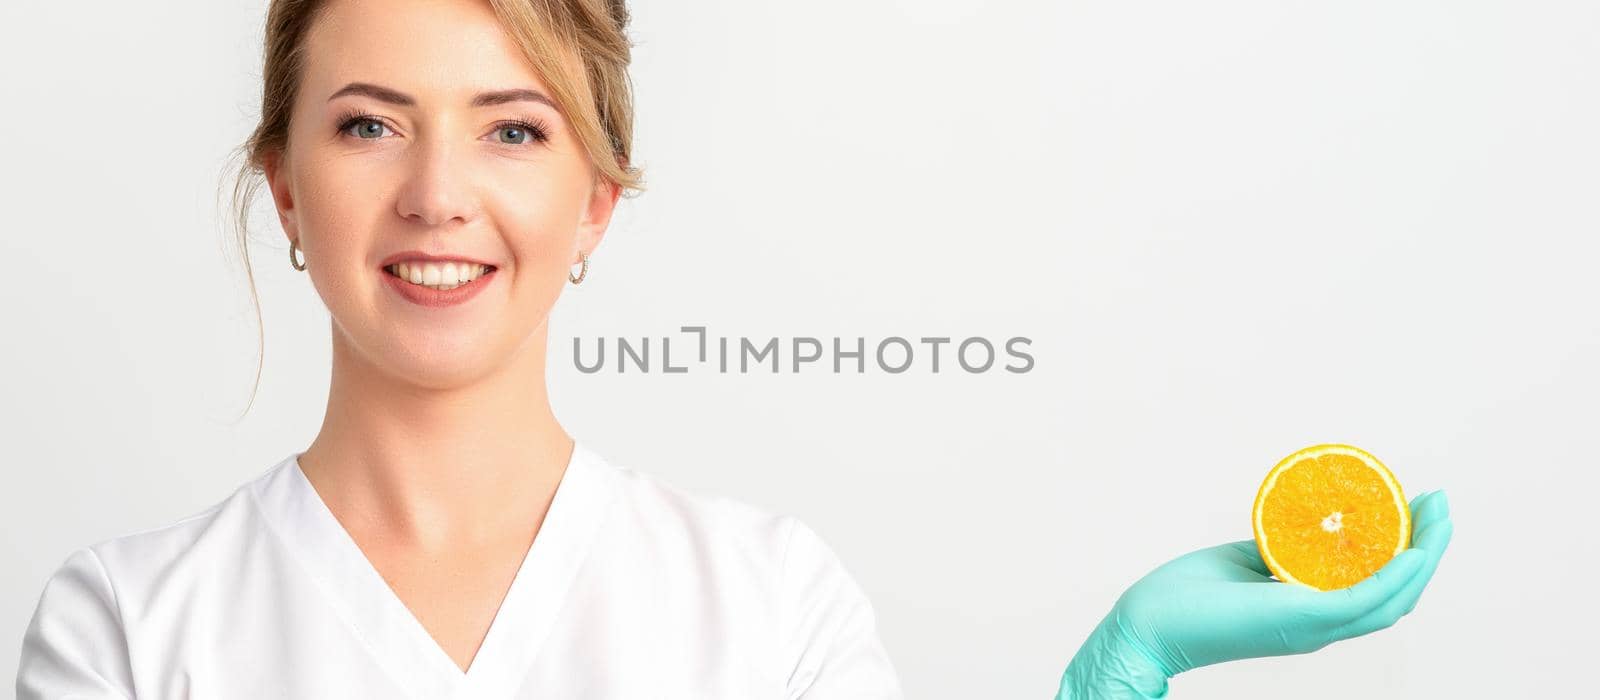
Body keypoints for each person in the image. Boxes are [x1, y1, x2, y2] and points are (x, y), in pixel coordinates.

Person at [14, 1, 1454, 698]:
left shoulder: (766, 609)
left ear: (595, 202)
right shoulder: (129, 632)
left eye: (513, 127)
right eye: (369, 122)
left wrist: (1116, 673)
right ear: (284, 189)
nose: (437, 191)